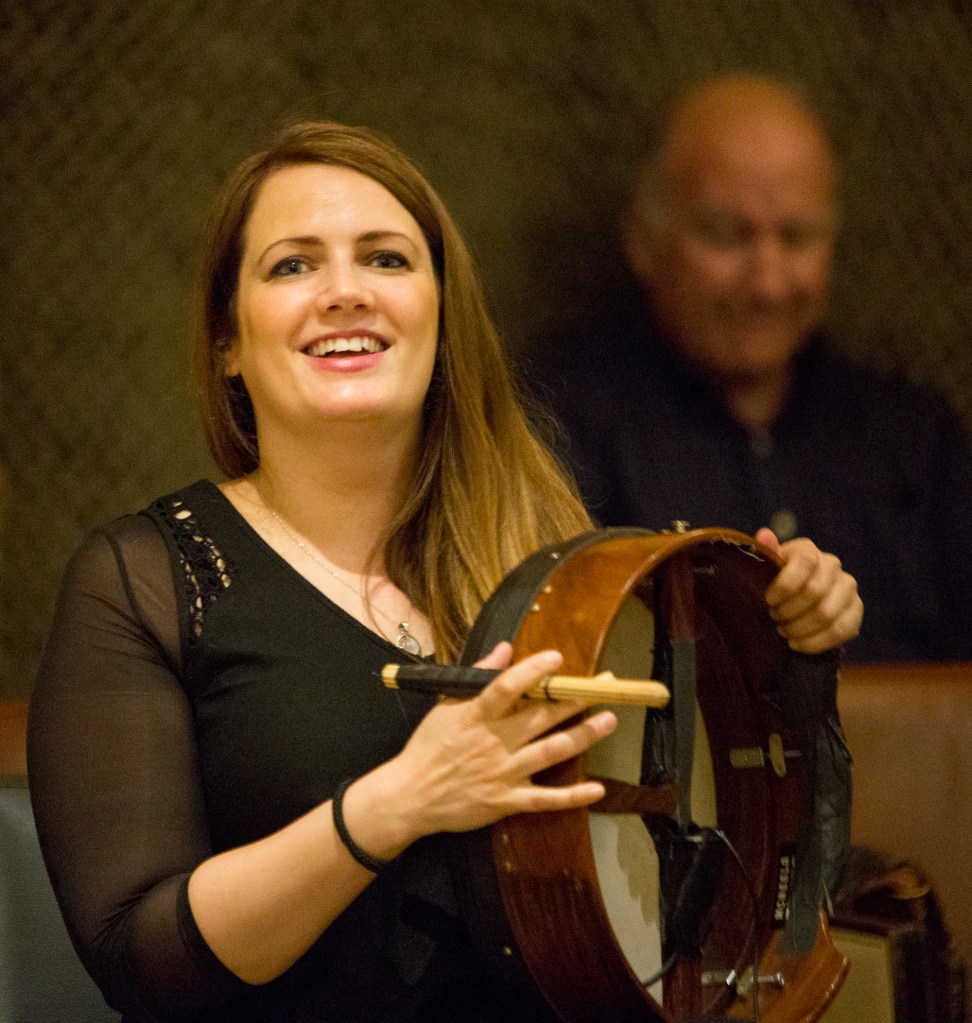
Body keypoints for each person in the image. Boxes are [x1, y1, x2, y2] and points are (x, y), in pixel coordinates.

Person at [26, 120, 863, 1023]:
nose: (346, 291)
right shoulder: (144, 579)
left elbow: (704, 874)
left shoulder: (556, 562)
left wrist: (783, 645)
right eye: (293, 265)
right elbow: (141, 959)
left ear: (442, 313)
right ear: (228, 338)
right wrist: (394, 805)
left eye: (385, 259)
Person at [534, 73, 972, 664]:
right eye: (728, 236)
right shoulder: (555, 428)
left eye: (797, 237)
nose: (768, 285)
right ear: (644, 240)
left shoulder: (916, 439)